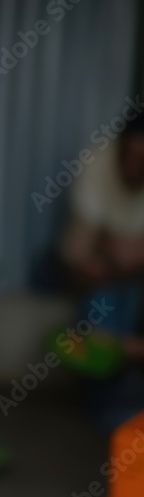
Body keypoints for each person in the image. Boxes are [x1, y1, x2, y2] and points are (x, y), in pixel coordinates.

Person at [60, 110, 144, 431]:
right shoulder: (98, 164)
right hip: (106, 272)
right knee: (105, 298)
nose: (133, 166)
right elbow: (78, 252)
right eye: (129, 155)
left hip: (131, 273)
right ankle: (108, 391)